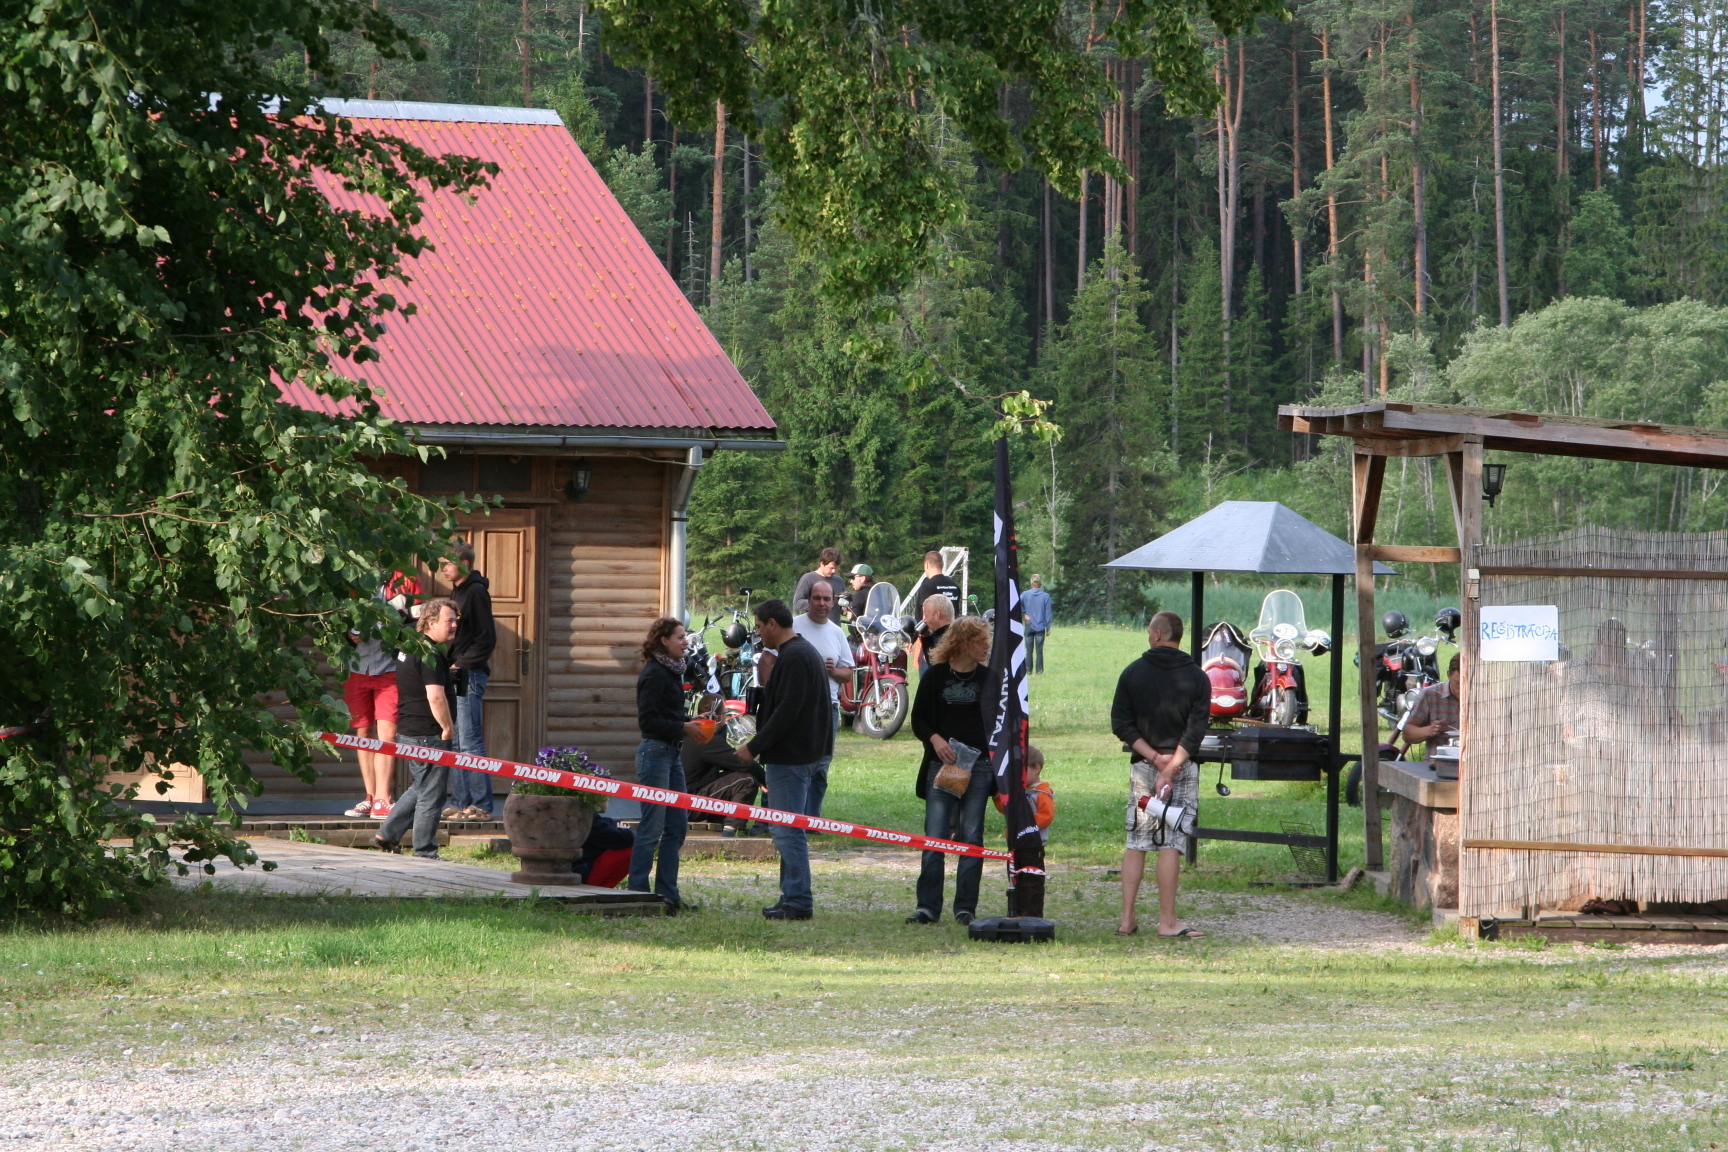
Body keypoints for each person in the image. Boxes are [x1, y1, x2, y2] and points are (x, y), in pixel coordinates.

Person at [1110, 610, 1211, 939]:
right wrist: (1171, 766)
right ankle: (1167, 921)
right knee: (1171, 843)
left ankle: (1127, 919)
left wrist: (1154, 758)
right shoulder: (1197, 677)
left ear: (1157, 634)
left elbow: (1121, 723)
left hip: (1144, 766)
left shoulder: (1132, 672)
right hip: (1182, 768)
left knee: (1136, 843)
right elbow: (1196, 731)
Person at [736, 599, 833, 920]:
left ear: (773, 624)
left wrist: (753, 747)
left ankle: (799, 901)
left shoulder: (795, 656)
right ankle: (789, 894)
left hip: (792, 757)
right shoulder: (799, 653)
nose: (758, 633)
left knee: (787, 831)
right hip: (801, 754)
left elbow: (787, 712)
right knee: (787, 828)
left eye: (759, 626)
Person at [906, 616, 994, 925]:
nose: (986, 647)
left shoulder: (990, 679)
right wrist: (935, 739)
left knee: (972, 836)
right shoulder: (935, 676)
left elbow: (1000, 724)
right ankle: (927, 907)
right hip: (940, 766)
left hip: (979, 767)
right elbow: (919, 719)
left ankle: (965, 908)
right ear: (964, 643)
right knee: (935, 836)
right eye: (981, 641)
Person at [631, 616, 711, 910]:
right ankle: (637, 894)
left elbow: (668, 715)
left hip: (672, 753)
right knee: (652, 827)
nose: (685, 642)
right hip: (654, 754)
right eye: (679, 637)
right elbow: (648, 721)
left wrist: (691, 721)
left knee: (677, 826)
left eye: (685, 636)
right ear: (664, 641)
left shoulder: (673, 670)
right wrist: (683, 727)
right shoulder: (654, 673)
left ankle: (668, 895)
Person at [373, 598, 461, 858]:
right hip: (428, 732)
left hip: (411, 728)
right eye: (449, 620)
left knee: (422, 786)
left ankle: (387, 834)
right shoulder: (429, 654)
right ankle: (425, 852)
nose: (454, 625)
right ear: (431, 623)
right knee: (432, 795)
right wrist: (447, 727)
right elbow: (435, 696)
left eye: (456, 620)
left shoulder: (410, 646)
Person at [342, 573, 419, 819]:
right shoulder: (351, 575)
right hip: (357, 666)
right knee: (363, 732)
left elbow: (418, 619)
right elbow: (335, 619)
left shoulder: (404, 577)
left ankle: (383, 799)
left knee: (387, 734)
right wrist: (348, 634)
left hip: (389, 667)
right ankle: (370, 796)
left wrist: (386, 630)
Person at [441, 542, 497, 820]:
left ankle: (482, 805)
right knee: (456, 739)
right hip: (456, 674)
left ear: (464, 564)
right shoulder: (458, 591)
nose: (443, 569)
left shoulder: (475, 592)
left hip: (470, 674)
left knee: (470, 740)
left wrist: (460, 664)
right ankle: (460, 802)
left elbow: (487, 639)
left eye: (448, 564)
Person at [793, 580, 855, 743]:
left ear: (833, 602)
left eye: (826, 599)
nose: (822, 603)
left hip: (827, 708)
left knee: (823, 758)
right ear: (809, 600)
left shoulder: (837, 632)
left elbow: (848, 674)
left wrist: (833, 671)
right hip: (796, 706)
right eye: (817, 598)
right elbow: (768, 660)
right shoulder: (792, 626)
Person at [1400, 653, 1461, 756]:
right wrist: (1429, 730)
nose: (1463, 688)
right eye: (1458, 683)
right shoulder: (1430, 695)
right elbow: (1407, 734)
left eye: (1468, 683)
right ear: (1449, 675)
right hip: (1437, 763)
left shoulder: (1484, 698)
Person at [993, 744, 1056, 843]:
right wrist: (998, 798)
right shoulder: (1018, 790)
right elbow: (1008, 810)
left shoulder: (1042, 793)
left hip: (1034, 841)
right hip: (1015, 838)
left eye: (1020, 770)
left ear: (1036, 768)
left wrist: (1024, 823)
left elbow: (1046, 816)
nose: (1016, 775)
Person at [572, 812, 636, 888]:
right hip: (579, 872)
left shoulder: (585, 816)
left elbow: (609, 823)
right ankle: (602, 888)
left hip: (579, 869)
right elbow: (627, 838)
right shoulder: (586, 819)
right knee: (632, 850)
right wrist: (624, 830)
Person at [908, 551, 962, 620]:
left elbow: (925, 615)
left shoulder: (927, 586)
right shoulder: (954, 586)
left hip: (933, 626)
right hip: (952, 625)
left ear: (927, 564)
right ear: (942, 564)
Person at [792, 548, 846, 614]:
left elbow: (842, 608)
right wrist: (820, 603)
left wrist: (846, 605)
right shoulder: (808, 578)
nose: (834, 571)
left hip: (834, 620)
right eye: (831, 568)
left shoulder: (839, 581)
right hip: (813, 620)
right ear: (822, 564)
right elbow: (797, 604)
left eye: (836, 568)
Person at [914, 592, 956, 675]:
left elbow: (937, 670)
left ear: (937, 614)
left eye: (926, 615)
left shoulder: (949, 639)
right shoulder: (955, 634)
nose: (924, 620)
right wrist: (927, 638)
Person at [1021, 574, 1053, 675]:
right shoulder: (1046, 596)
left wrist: (1024, 614)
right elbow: (1048, 613)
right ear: (1040, 583)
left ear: (1031, 582)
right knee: (1039, 650)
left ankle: (1028, 669)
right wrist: (1048, 627)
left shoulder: (1024, 595)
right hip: (1040, 626)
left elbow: (1017, 605)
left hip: (1029, 624)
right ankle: (1039, 670)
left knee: (1028, 649)